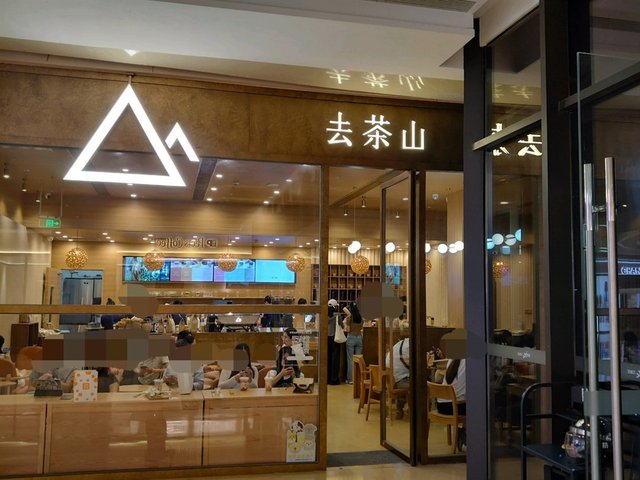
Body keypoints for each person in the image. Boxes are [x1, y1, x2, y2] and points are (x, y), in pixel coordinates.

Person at [386, 336, 410, 419]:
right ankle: (415, 412)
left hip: (391, 380)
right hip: (397, 381)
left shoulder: (399, 344)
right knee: (420, 387)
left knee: (407, 379)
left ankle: (400, 411)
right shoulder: (409, 347)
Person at [344, 301, 363, 385]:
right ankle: (358, 379)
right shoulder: (360, 317)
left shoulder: (349, 318)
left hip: (351, 337)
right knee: (358, 360)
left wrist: (345, 328)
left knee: (350, 360)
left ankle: (350, 379)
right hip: (359, 338)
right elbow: (361, 328)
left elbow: (348, 330)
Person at [327, 299, 343, 385]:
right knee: (335, 359)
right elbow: (342, 325)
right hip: (335, 338)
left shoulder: (324, 315)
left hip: (326, 338)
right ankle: (334, 379)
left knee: (327, 358)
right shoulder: (338, 315)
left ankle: (327, 378)